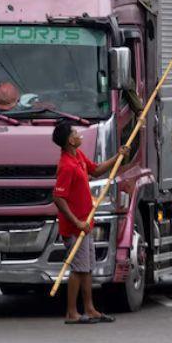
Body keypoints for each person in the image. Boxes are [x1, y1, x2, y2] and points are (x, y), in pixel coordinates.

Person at [51, 119, 125, 324]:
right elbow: (58, 198)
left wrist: (118, 157)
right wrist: (76, 222)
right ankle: (72, 312)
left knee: (87, 268)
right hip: (75, 228)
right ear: (69, 141)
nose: (79, 134)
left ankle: (90, 308)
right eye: (75, 133)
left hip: (86, 224)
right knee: (78, 269)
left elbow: (97, 169)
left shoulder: (78, 157)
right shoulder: (66, 165)